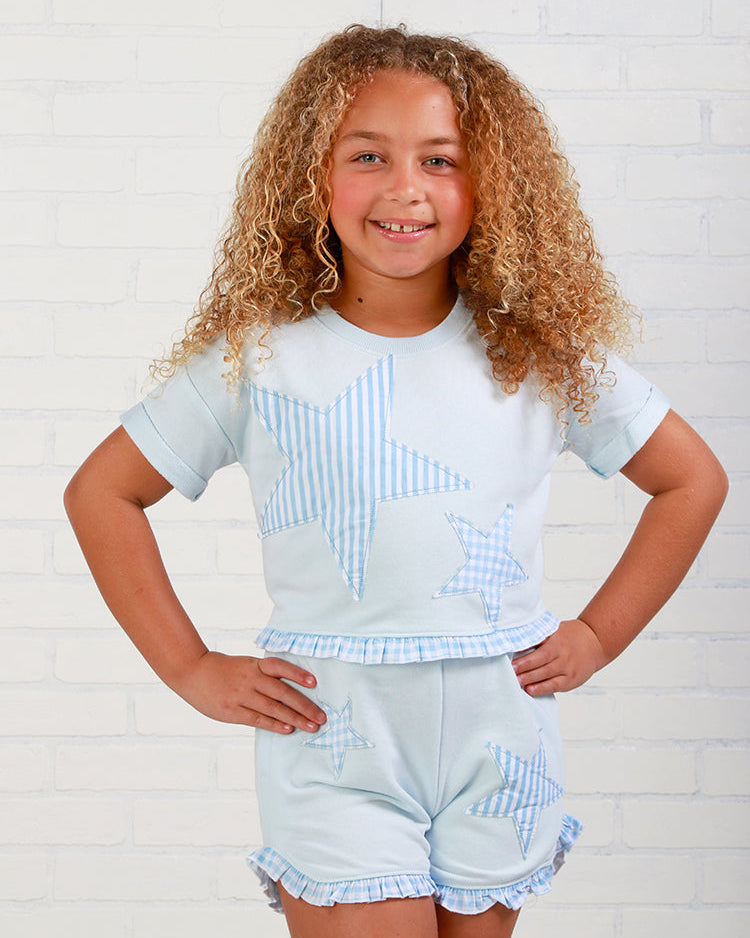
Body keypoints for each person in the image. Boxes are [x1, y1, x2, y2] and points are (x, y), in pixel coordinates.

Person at [64, 25, 727, 938]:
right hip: (335, 739)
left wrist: (598, 636)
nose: (405, 188)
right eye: (367, 155)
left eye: (441, 159)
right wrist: (188, 667)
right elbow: (101, 493)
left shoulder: (540, 354)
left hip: (502, 739)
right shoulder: (261, 359)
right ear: (311, 175)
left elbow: (692, 480)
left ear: (492, 181)